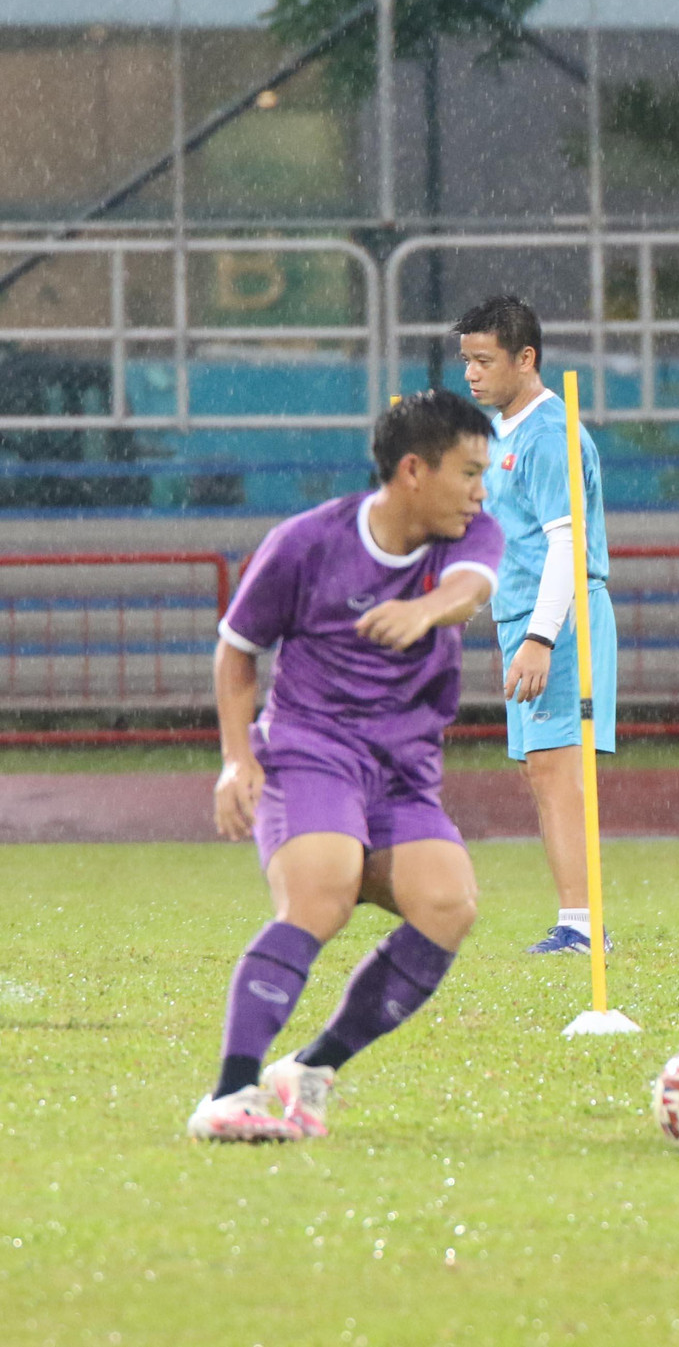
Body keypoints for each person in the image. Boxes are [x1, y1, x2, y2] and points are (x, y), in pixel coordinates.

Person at [187, 390, 505, 1142]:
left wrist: (425, 611)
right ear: (413, 470)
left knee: (449, 904)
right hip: (310, 750)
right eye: (468, 472)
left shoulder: (471, 535)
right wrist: (237, 760)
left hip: (404, 770)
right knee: (324, 890)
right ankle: (230, 1092)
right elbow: (237, 649)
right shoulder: (305, 542)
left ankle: (312, 1066)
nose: (480, 492)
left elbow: (470, 591)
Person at [455, 295, 618, 955]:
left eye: (484, 360)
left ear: (526, 359)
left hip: (560, 620)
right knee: (540, 770)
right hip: (522, 616)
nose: (471, 374)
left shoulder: (550, 432)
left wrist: (541, 638)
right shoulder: (504, 436)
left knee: (556, 769)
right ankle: (576, 919)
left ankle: (581, 924)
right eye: (465, 360)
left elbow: (565, 545)